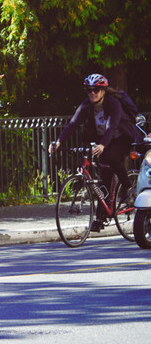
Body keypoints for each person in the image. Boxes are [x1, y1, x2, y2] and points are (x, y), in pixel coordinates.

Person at [49, 73, 141, 230]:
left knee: (110, 156)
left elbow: (112, 126)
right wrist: (58, 142)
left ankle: (127, 187)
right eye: (89, 90)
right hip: (104, 141)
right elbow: (72, 124)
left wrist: (103, 145)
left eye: (96, 89)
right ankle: (100, 218)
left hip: (122, 138)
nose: (93, 93)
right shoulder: (86, 105)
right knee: (104, 178)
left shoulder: (113, 104)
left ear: (103, 90)